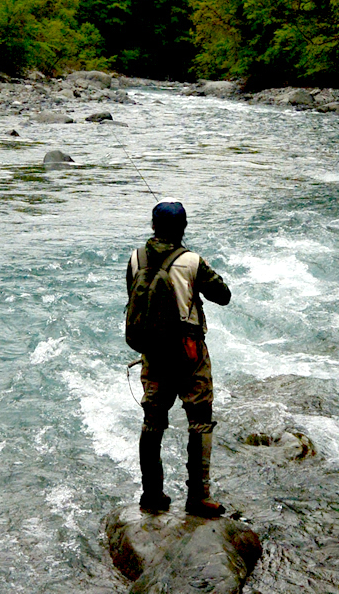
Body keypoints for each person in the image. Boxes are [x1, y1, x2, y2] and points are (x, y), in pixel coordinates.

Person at [126, 199, 231, 517]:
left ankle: (151, 496)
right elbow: (223, 295)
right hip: (190, 355)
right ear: (182, 228)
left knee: (152, 423)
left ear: (153, 226)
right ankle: (198, 498)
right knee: (199, 422)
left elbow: (133, 299)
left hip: (153, 354)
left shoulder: (136, 258)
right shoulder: (192, 261)